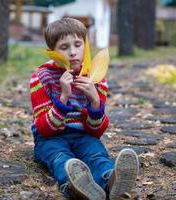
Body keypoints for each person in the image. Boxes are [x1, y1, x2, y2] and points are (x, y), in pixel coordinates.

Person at [29, 18, 139, 200]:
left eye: (78, 44)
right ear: (52, 52)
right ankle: (75, 188)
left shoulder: (96, 77)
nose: (73, 52)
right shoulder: (41, 77)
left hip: (84, 135)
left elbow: (96, 131)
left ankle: (112, 182)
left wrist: (94, 100)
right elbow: (44, 128)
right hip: (50, 139)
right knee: (61, 159)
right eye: (64, 47)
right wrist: (63, 97)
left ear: (86, 46)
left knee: (97, 155)